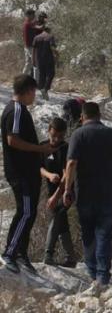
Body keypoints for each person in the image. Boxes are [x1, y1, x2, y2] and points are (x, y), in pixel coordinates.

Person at [64, 102, 112, 287]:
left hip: (85, 192)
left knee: (88, 233)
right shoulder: (111, 133)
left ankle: (92, 274)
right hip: (107, 192)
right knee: (104, 234)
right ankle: (103, 276)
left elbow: (71, 163)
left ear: (82, 117)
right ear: (99, 115)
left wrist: (67, 189)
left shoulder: (78, 134)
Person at [2, 75, 56, 274]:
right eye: (34, 92)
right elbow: (12, 140)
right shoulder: (15, 110)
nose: (34, 96)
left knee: (30, 212)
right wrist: (39, 149)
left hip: (29, 173)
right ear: (27, 91)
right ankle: (9, 253)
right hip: (20, 173)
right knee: (24, 212)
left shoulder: (21, 110)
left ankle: (21, 253)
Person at [41, 118, 77, 267]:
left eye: (60, 136)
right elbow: (38, 167)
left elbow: (66, 174)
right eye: (54, 135)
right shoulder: (42, 146)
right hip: (51, 191)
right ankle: (71, 257)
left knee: (57, 215)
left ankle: (48, 254)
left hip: (66, 191)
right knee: (61, 220)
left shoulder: (65, 148)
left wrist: (57, 196)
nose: (56, 139)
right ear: (49, 130)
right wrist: (49, 175)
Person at [32, 26, 57, 100]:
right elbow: (53, 48)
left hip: (39, 59)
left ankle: (41, 92)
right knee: (51, 74)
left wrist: (33, 60)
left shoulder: (36, 37)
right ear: (49, 30)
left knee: (42, 75)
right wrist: (57, 55)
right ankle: (45, 89)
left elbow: (34, 50)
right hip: (49, 59)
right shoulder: (50, 37)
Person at [21, 9, 39, 77]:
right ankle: (36, 80)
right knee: (36, 63)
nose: (34, 16)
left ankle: (22, 79)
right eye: (33, 14)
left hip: (27, 46)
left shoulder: (26, 23)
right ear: (29, 15)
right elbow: (36, 26)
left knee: (28, 64)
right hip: (30, 47)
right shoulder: (28, 24)